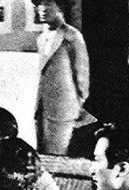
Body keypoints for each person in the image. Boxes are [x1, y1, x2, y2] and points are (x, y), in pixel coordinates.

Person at [32, 0, 89, 155]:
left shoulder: (72, 36)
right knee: (42, 152)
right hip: (42, 106)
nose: (42, 9)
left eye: (48, 4)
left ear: (61, 7)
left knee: (58, 152)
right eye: (40, 4)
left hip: (64, 108)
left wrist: (78, 104)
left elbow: (82, 75)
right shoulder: (41, 38)